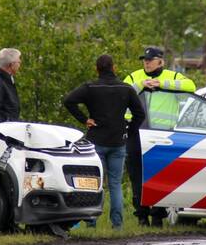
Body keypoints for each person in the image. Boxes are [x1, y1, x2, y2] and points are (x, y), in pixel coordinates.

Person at [62, 54, 145, 229]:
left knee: (94, 183)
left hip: (96, 141)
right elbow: (140, 114)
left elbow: (68, 101)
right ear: (114, 68)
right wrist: (129, 130)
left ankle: (91, 222)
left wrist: (84, 119)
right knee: (115, 184)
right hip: (118, 142)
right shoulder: (126, 88)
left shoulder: (90, 87)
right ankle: (118, 225)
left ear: (96, 69)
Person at [123, 46, 195, 227]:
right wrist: (141, 85)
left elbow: (191, 86)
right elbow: (122, 92)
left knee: (160, 176)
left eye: (150, 60)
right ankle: (141, 215)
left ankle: (158, 215)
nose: (146, 63)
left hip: (163, 135)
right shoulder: (134, 77)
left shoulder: (172, 77)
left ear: (161, 61)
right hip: (136, 133)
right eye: (144, 60)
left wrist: (162, 85)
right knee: (137, 175)